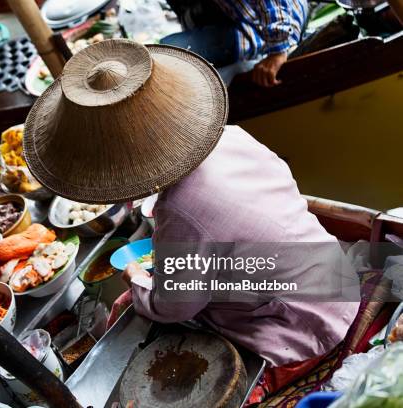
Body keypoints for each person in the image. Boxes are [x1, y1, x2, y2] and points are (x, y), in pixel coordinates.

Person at [21, 39, 360, 403]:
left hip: (307, 328)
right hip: (334, 275)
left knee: (141, 317)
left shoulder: (181, 211)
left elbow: (175, 305)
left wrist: (136, 278)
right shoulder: (231, 137)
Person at [162, 0, 308, 87]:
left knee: (169, 55)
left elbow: (272, 4)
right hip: (244, 19)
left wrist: (278, 51)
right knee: (165, 51)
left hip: (277, 20)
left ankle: (263, 43)